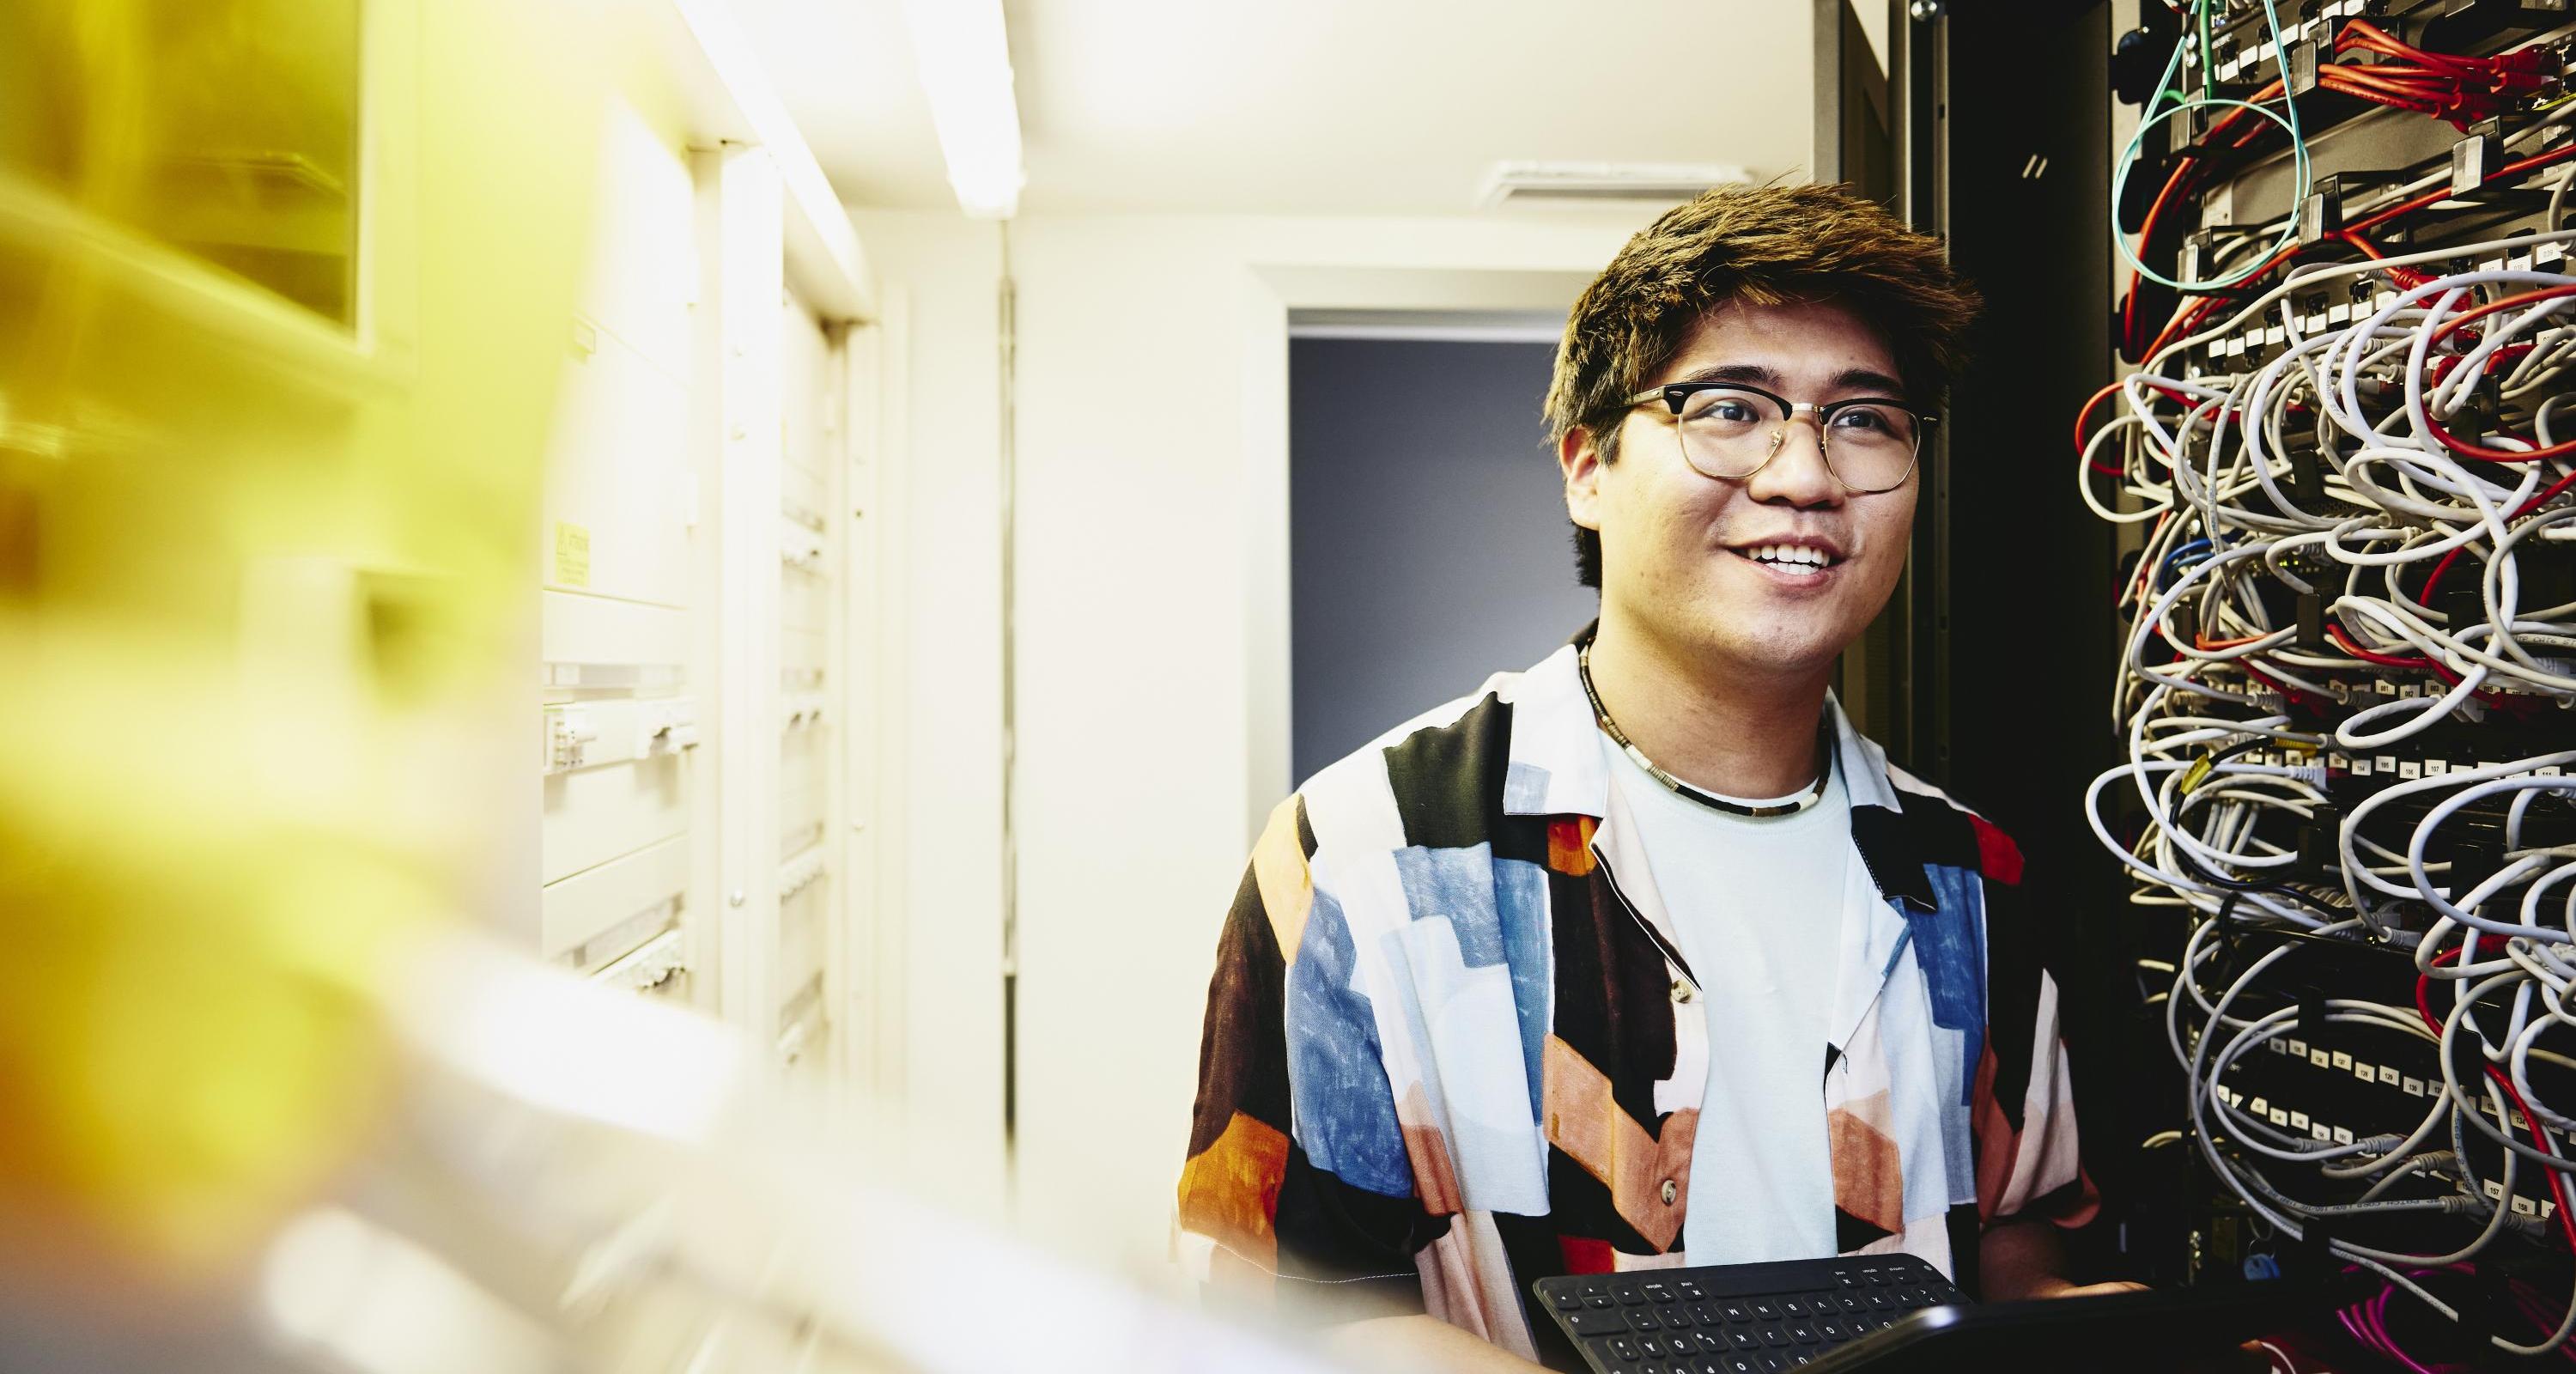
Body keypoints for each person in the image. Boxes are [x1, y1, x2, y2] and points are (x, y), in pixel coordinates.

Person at [1176, 183, 2133, 1371]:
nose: (1804, 476)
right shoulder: (1365, 860)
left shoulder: (1972, 882)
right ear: (1588, 467)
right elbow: (1276, 1312)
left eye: (1866, 420)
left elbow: (2019, 1245)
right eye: (1730, 409)